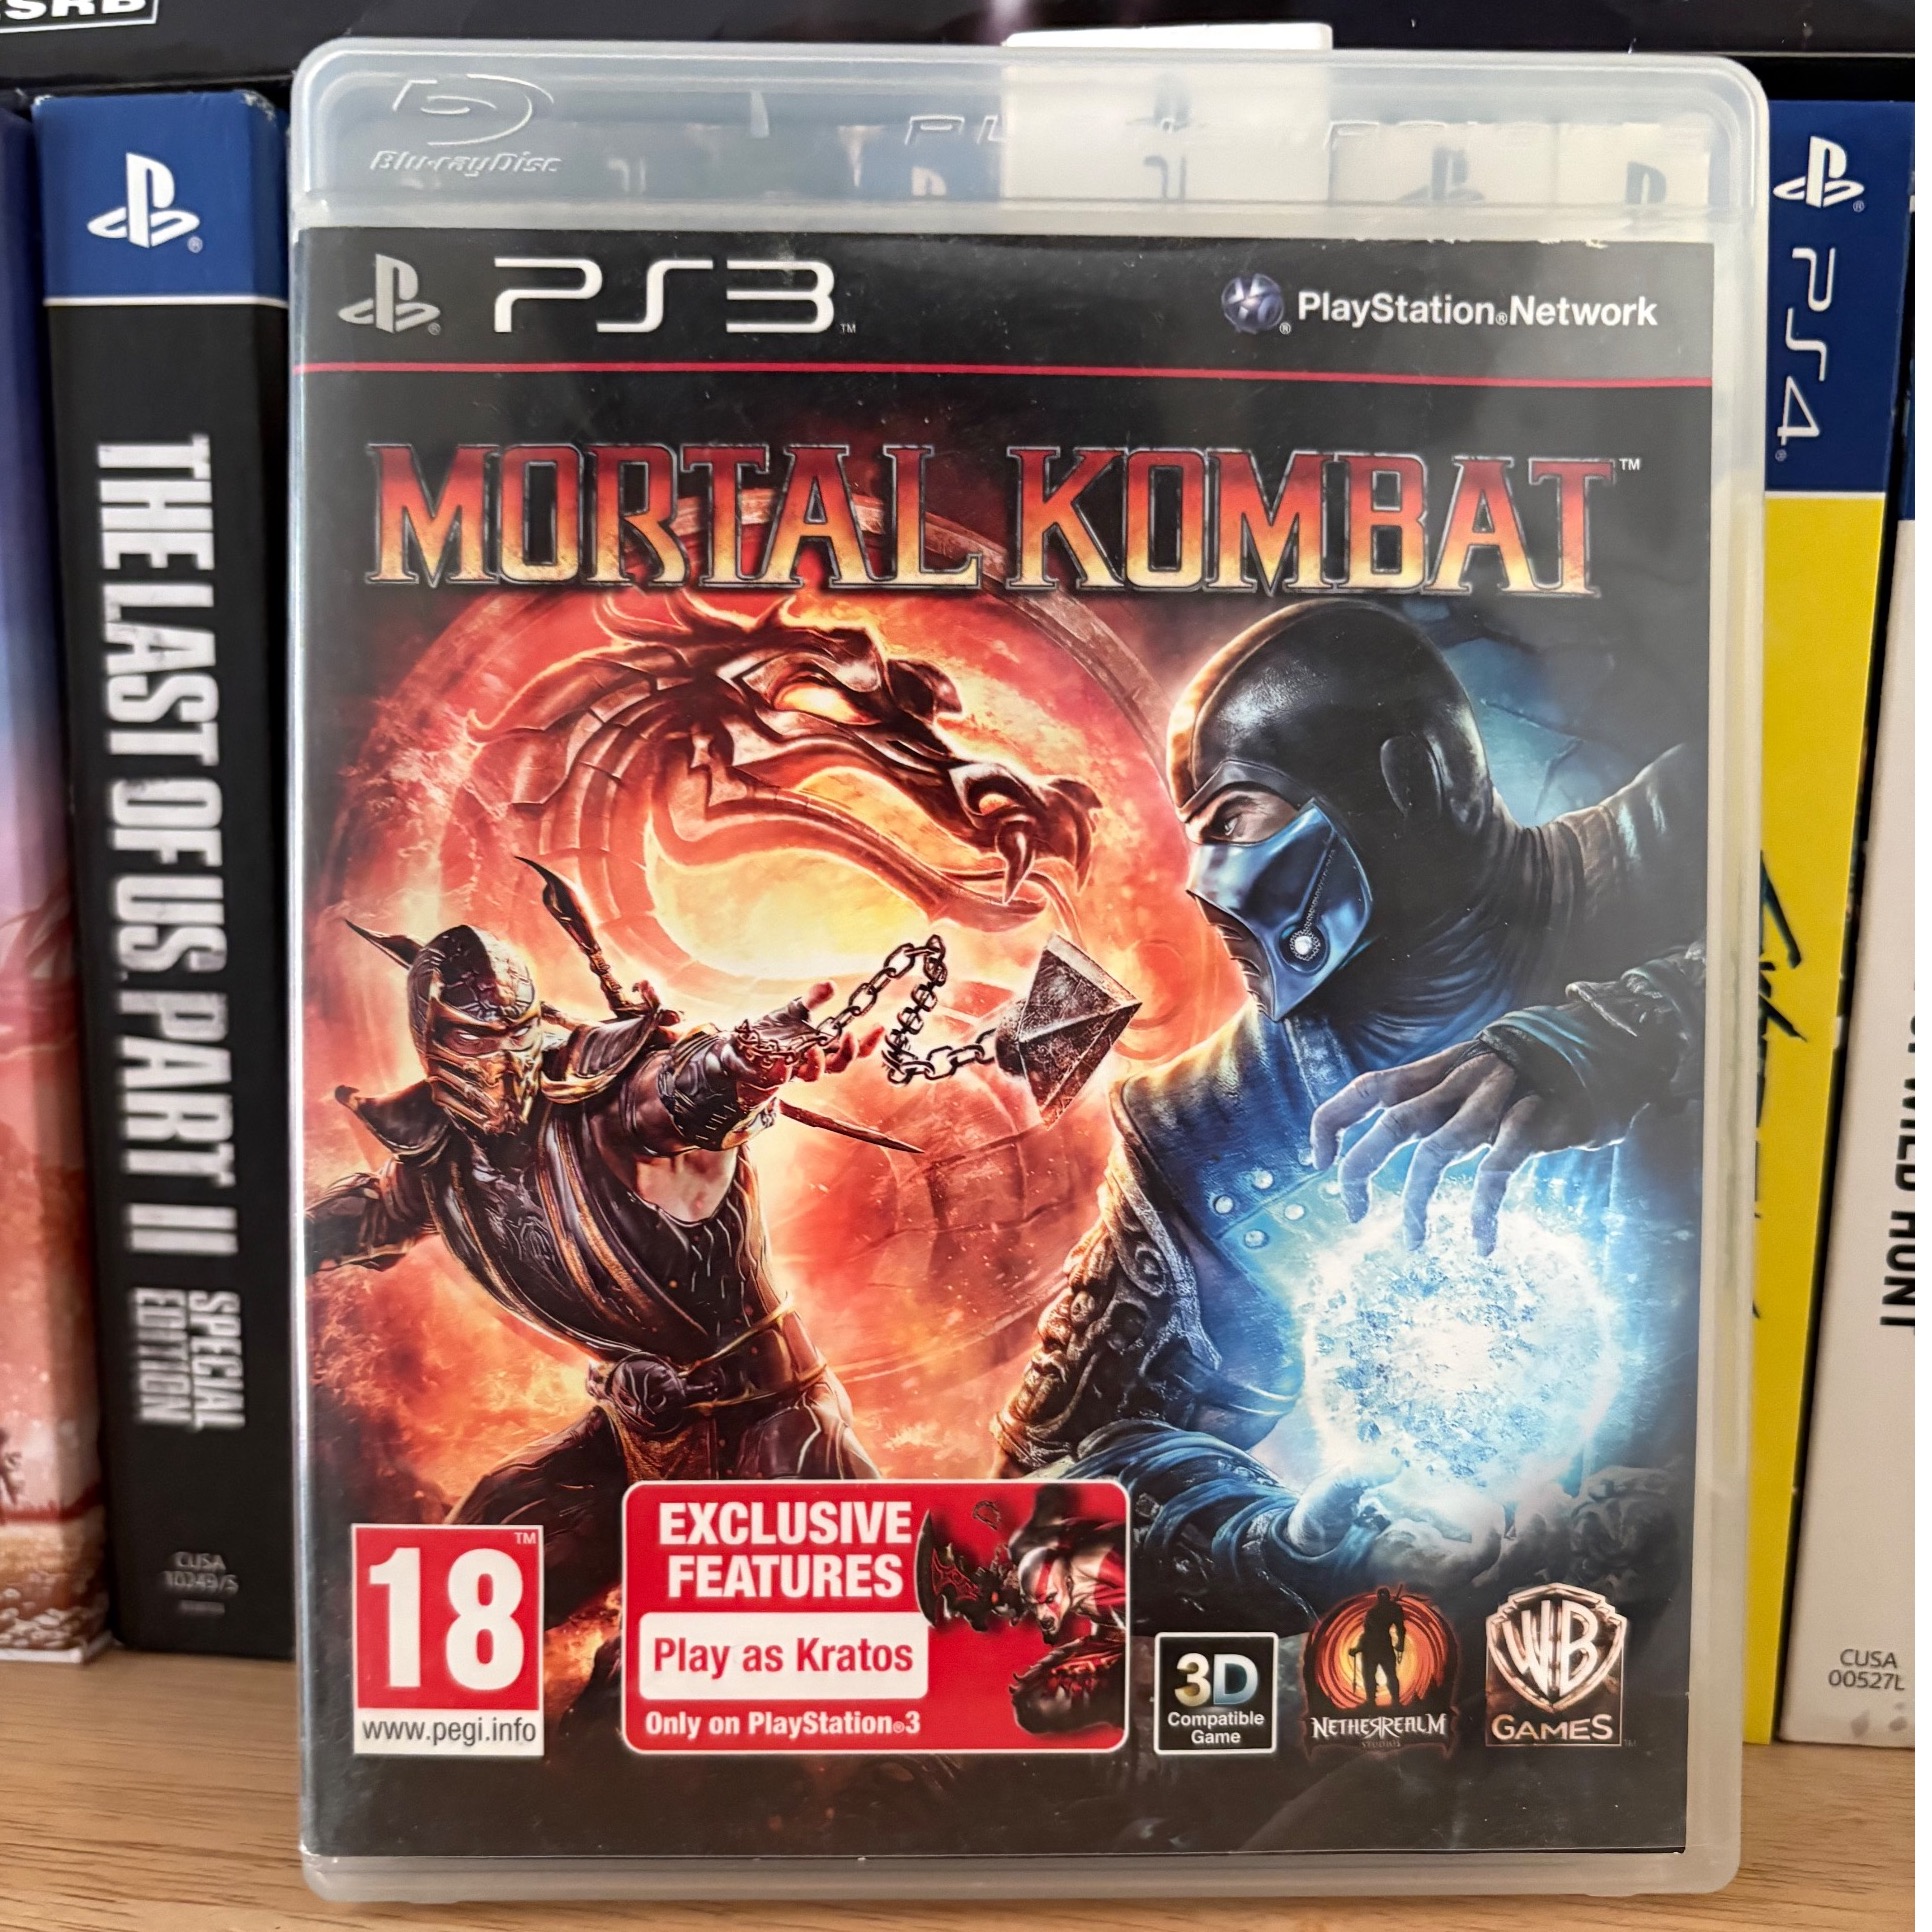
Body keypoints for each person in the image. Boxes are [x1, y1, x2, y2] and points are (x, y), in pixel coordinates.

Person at [994, 599, 1705, 1473]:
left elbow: (1840, 945)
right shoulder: (1215, 1128)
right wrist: (1280, 1536)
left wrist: (1629, 1028)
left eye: (1237, 817)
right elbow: (1052, 1488)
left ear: (1412, 781)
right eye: (1201, 835)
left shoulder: (1687, 834)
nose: (1207, 884)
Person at [308, 916, 878, 1626]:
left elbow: (678, 1092)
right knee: (463, 1575)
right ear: (433, 1039)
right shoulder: (437, 1162)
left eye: (516, 1032)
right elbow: (365, 1221)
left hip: (772, 1423)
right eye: (476, 1037)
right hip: (636, 1428)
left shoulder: (607, 1099)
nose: (503, 1057)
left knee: (772, 1643)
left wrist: (746, 1063)